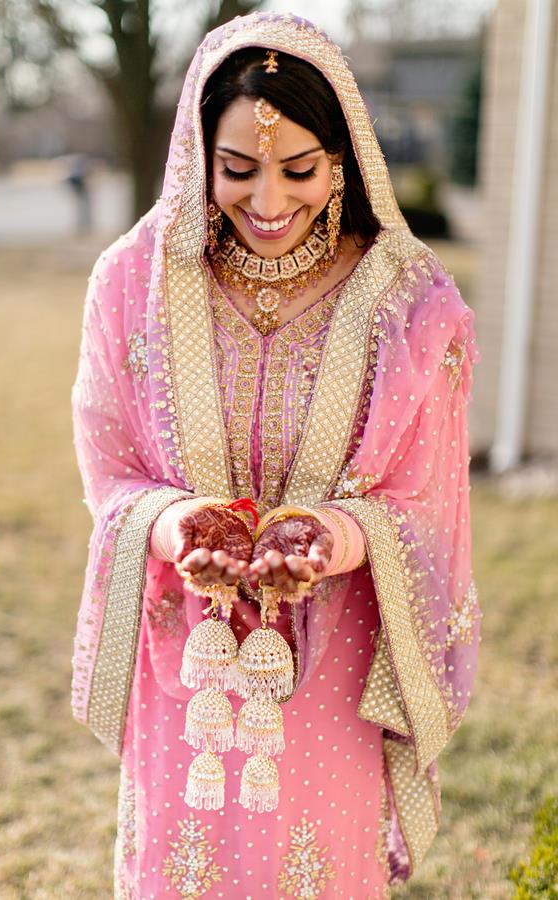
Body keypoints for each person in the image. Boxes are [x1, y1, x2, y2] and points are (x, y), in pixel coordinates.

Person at [71, 12, 481, 899]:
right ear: (196, 153)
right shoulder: (134, 284)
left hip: (335, 655)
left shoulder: (410, 307)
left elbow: (427, 503)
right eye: (237, 168)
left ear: (344, 159)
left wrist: (328, 537)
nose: (266, 201)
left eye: (297, 169)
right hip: (191, 651)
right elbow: (109, 471)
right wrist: (182, 523)